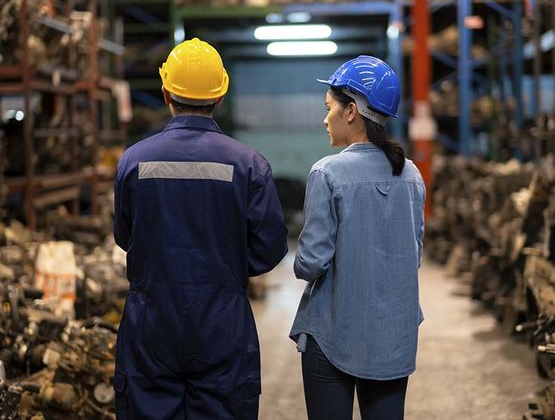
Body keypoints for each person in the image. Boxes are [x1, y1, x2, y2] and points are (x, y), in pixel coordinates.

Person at [113, 38, 288, 419]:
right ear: (220, 97)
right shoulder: (249, 165)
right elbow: (270, 248)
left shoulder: (133, 161)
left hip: (151, 324)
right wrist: (225, 266)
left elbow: (125, 237)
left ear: (165, 94)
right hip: (221, 322)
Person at [289, 55, 425, 420]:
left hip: (334, 332)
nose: (325, 118)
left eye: (329, 107)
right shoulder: (411, 175)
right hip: (394, 335)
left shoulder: (327, 173)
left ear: (351, 111)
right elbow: (414, 253)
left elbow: (310, 263)